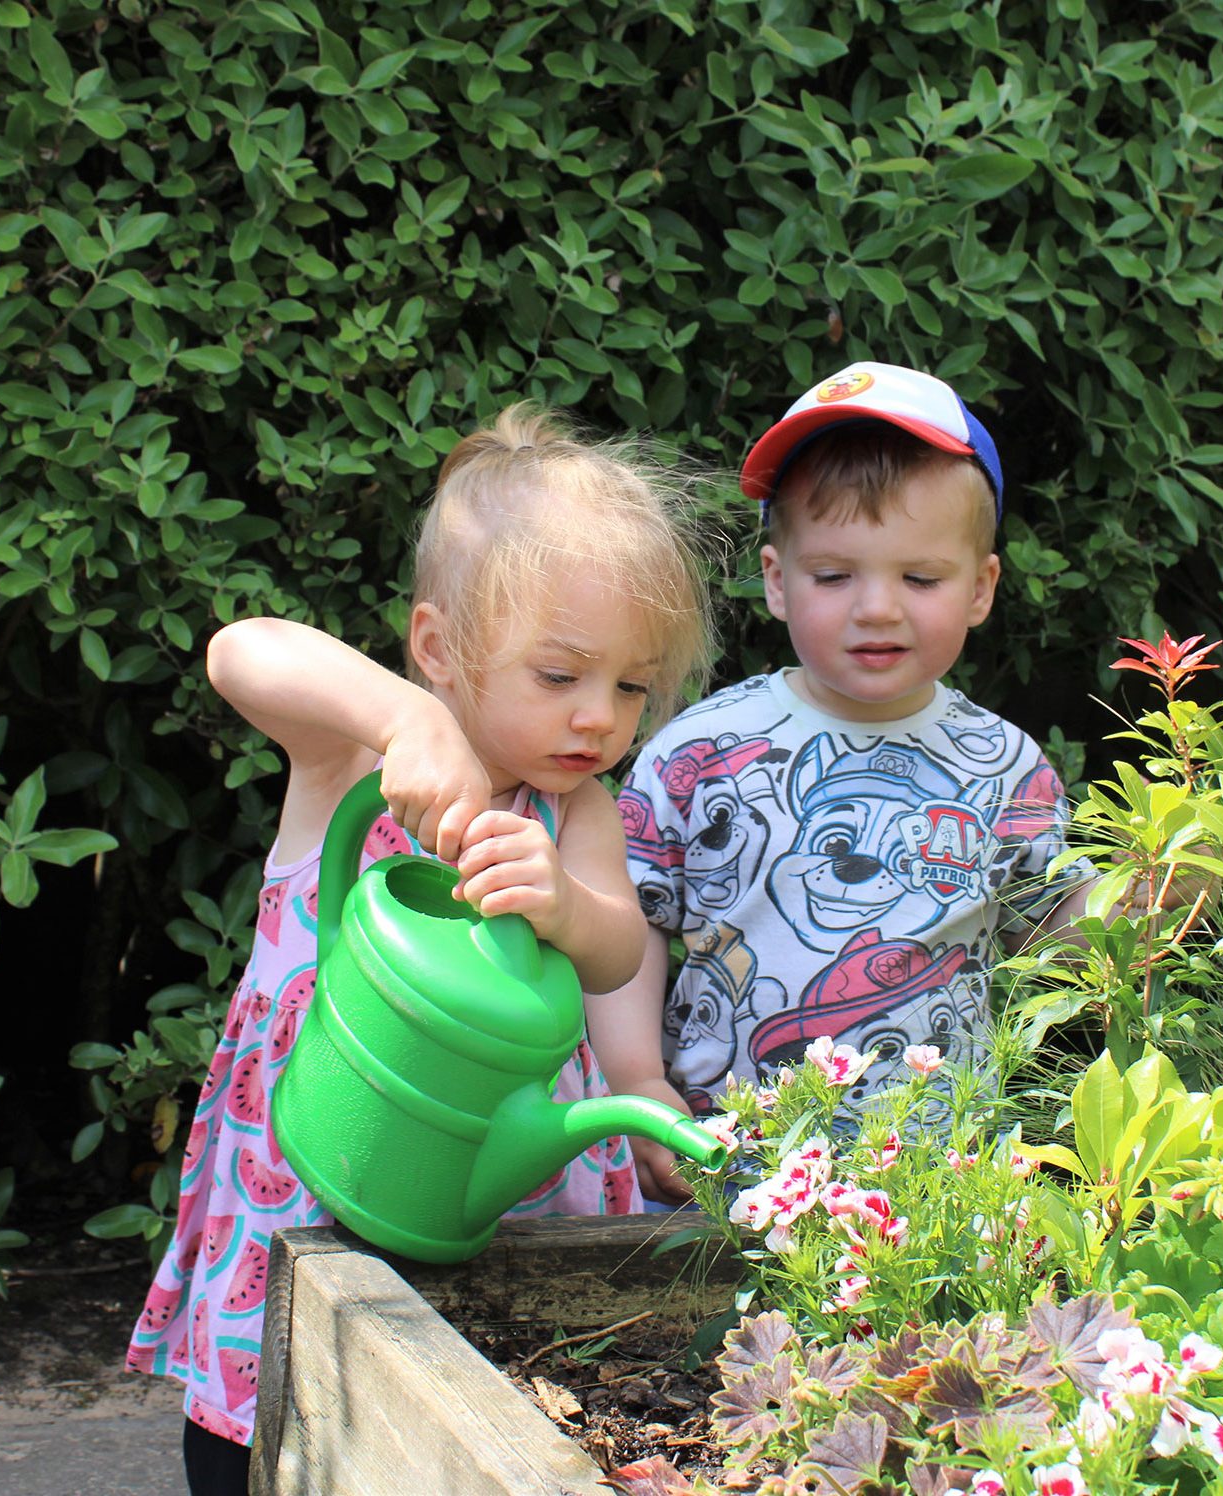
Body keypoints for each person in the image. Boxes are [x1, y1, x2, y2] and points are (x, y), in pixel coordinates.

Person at [127, 404, 713, 1495]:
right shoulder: (352, 757)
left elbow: (616, 950)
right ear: (440, 647)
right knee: (258, 1418)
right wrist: (403, 720)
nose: (598, 715)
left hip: (486, 1179)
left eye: (630, 685)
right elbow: (239, 649)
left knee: (469, 1407)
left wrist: (569, 924)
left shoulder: (571, 810)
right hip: (307, 1174)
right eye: (559, 674)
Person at [589, 361, 1101, 1204]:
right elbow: (628, 926)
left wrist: (1143, 902)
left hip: (935, 1201)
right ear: (776, 579)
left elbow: (1049, 944)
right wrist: (639, 1081)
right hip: (725, 1181)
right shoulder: (703, 753)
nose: (876, 607)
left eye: (920, 578)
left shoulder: (1007, 770)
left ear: (981, 588)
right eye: (835, 576)